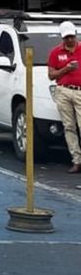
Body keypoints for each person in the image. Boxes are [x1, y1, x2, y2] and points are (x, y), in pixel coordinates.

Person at [48, 21, 81, 173]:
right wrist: (66, 69)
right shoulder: (56, 52)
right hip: (63, 90)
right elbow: (51, 75)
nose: (70, 40)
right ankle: (76, 160)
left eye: (71, 36)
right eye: (66, 37)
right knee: (69, 126)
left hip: (79, 90)